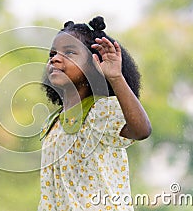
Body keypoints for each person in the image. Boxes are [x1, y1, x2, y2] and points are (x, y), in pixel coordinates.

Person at [38, 16, 152, 211]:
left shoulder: (100, 112)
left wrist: (115, 77)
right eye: (52, 54)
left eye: (69, 52)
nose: (55, 58)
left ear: (93, 64)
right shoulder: (54, 123)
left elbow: (141, 130)